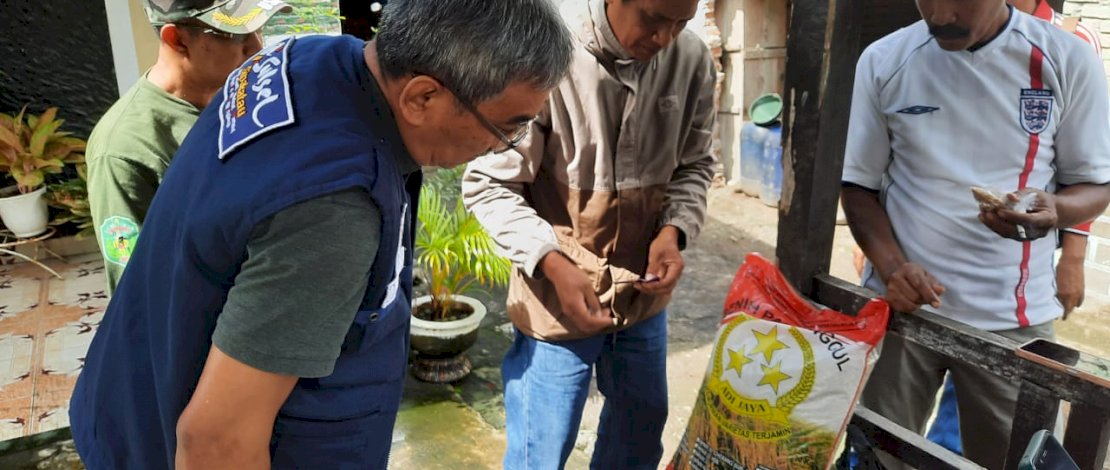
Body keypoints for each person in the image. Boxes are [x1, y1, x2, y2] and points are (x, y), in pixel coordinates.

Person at [69, 1, 574, 468]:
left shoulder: (310, 57)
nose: (502, 145)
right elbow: (216, 441)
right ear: (422, 96)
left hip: (130, 393)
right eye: (508, 126)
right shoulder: (333, 209)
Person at [840, 0, 1110, 467]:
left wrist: (1056, 210)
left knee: (1014, 459)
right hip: (906, 314)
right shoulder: (885, 60)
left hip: (1013, 321)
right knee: (880, 456)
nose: (941, 14)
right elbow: (858, 186)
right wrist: (892, 268)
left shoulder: (1065, 58)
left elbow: (1095, 183)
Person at [462, 0, 718, 467]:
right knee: (541, 448)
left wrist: (673, 232)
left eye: (681, 23)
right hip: (556, 302)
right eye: (655, 19)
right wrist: (553, 262)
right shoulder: (542, 56)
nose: (665, 39)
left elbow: (696, 164)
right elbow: (489, 183)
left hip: (642, 300)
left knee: (638, 437)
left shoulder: (693, 59)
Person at [922, 0, 1104, 455]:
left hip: (1009, 288)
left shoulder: (1070, 42)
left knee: (995, 427)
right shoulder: (940, 31)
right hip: (927, 281)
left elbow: (1084, 167)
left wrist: (1074, 257)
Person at [86, 0, 288, 293]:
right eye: (236, 36)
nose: (256, 48)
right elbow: (136, 288)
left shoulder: (242, 98)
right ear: (177, 39)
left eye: (259, 30)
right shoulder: (124, 149)